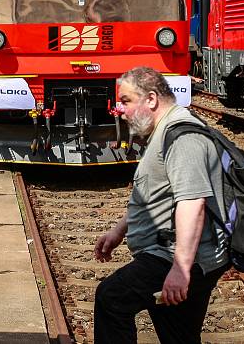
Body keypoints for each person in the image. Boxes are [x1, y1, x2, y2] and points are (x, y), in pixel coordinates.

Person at [93, 66, 229, 343]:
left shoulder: (183, 138)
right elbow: (155, 192)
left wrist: (180, 269)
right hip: (172, 253)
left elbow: (193, 202)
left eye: (126, 101)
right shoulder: (164, 130)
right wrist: (120, 230)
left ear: (151, 100)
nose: (121, 110)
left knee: (112, 298)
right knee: (178, 335)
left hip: (174, 256)